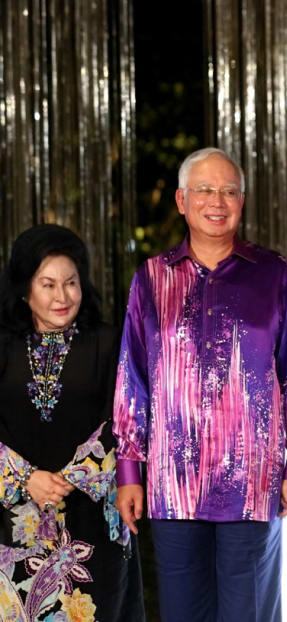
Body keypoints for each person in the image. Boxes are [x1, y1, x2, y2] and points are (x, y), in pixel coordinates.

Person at [113, 147, 287, 621]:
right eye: (204, 189)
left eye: (228, 191)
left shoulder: (275, 275)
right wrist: (128, 471)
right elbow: (132, 378)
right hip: (173, 483)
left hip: (252, 481)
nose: (216, 200)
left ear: (242, 202)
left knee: (250, 612)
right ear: (182, 200)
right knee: (183, 613)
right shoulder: (152, 278)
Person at [0, 224, 144, 622]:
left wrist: (75, 475)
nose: (61, 296)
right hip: (12, 522)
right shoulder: (4, 346)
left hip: (90, 521)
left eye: (71, 283)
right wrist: (23, 476)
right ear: (24, 288)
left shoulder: (110, 342)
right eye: (47, 284)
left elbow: (126, 417)